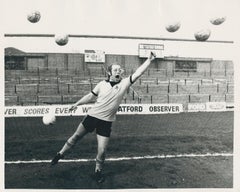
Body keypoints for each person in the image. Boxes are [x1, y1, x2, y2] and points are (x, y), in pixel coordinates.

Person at [51, 51, 156, 183]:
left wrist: (149, 60)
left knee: (102, 150)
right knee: (76, 137)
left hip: (106, 122)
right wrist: (77, 103)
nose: (118, 71)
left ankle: (98, 171)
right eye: (115, 69)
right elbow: (90, 97)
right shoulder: (102, 84)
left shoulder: (124, 83)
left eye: (120, 69)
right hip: (92, 117)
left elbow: (138, 73)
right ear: (109, 72)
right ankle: (60, 154)